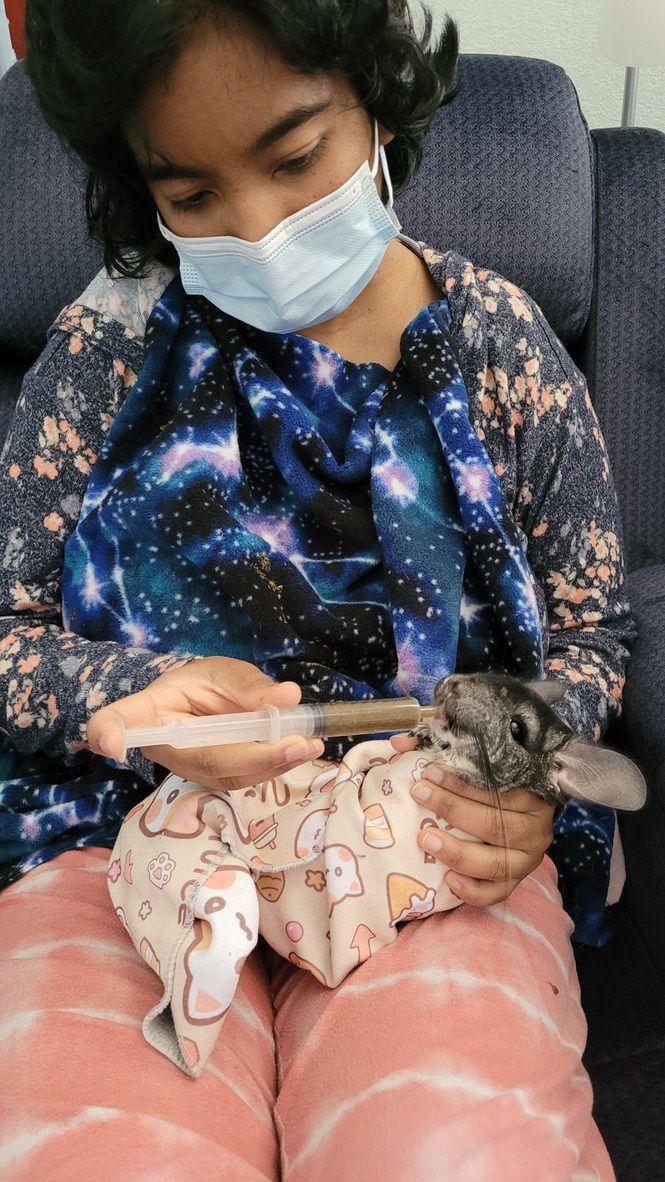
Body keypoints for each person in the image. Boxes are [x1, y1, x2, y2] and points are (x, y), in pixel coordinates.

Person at [0, 0, 631, 1177]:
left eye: (296, 158)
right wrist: (137, 693)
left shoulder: (495, 341)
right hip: (124, 844)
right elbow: (6, 633)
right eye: (190, 197)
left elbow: (590, 634)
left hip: (425, 851)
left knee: (449, 1147)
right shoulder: (102, 355)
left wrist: (520, 771)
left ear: (377, 102)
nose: (259, 226)